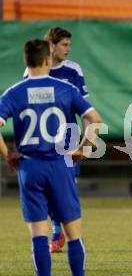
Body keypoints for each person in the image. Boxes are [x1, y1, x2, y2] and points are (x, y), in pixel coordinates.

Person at [0, 39, 101, 276]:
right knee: (73, 233)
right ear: (47, 60)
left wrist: (7, 155)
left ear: (26, 61)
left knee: (38, 234)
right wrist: (84, 148)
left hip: (29, 166)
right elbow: (94, 120)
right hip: (59, 163)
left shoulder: (14, 92)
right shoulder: (64, 89)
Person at [24, 27, 89, 253]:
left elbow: (85, 110)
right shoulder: (34, 70)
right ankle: (56, 231)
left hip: (68, 138)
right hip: (42, 140)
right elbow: (26, 104)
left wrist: (85, 144)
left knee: (67, 188)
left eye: (69, 45)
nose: (68, 50)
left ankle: (60, 231)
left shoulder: (73, 71)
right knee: (45, 189)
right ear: (51, 46)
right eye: (64, 45)